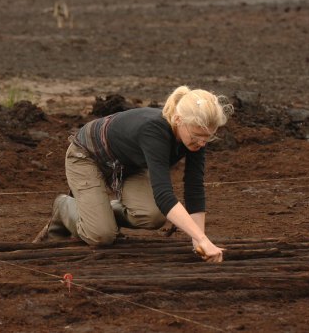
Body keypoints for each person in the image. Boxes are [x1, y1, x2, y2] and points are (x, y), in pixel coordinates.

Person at [33, 85, 233, 263]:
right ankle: (64, 206)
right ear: (179, 120)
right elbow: (164, 194)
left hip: (127, 164)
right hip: (87, 155)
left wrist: (197, 242)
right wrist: (203, 240)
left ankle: (96, 213)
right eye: (198, 136)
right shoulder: (154, 132)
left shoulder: (197, 136)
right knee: (101, 236)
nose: (202, 143)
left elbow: (194, 187)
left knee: (153, 216)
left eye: (208, 137)